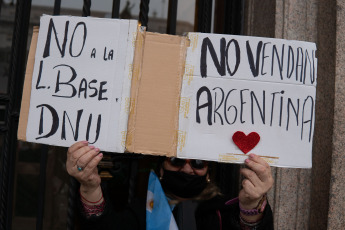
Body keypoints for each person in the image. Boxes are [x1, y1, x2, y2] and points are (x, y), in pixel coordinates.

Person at [66, 141, 274, 230]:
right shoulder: (143, 211)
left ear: (207, 173)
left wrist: (252, 205)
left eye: (198, 163)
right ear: (162, 170)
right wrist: (90, 187)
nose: (186, 169)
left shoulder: (223, 210)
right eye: (176, 161)